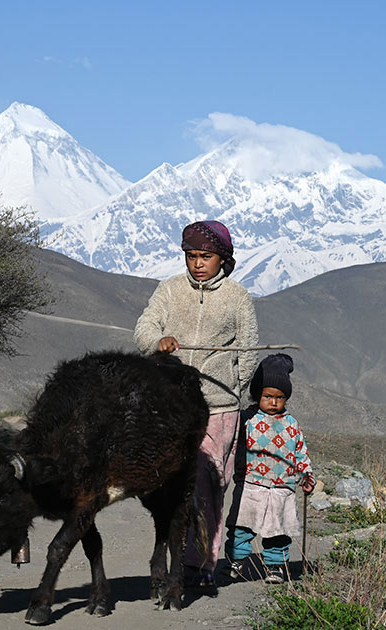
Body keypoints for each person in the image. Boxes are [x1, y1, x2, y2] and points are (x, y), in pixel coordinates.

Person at [134, 220, 258, 587]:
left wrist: (233, 389)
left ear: (223, 258)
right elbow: (144, 327)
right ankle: (175, 555)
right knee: (170, 483)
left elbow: (247, 352)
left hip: (219, 406)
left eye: (206, 256)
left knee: (209, 483)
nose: (198, 263)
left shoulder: (237, 297)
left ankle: (200, 564)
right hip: (172, 406)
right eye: (191, 256)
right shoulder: (169, 290)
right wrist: (157, 342)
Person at [226, 353, 315, 584]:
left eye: (280, 397)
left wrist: (306, 476)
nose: (274, 402)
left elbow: (300, 453)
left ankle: (275, 568)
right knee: (241, 526)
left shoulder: (292, 425)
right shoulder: (245, 419)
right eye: (268, 396)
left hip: (281, 489)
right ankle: (236, 559)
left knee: (277, 532)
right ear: (257, 395)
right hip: (250, 486)